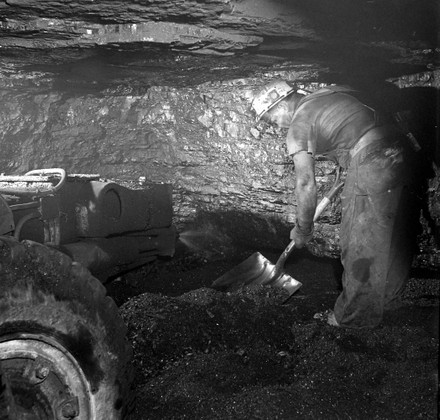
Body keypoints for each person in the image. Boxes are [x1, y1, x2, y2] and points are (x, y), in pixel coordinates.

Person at [251, 80, 416, 329]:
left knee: (360, 241)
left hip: (372, 159)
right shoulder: (326, 95)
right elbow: (355, 127)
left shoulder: (299, 123)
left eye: (270, 117)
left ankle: (352, 319)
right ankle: (389, 301)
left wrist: (303, 228)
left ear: (282, 102)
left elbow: (306, 182)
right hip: (401, 149)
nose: (272, 124)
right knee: (393, 233)